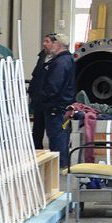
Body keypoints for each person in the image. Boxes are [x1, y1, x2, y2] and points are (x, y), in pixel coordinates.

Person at [31, 32, 77, 168]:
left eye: (49, 42)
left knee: (58, 140)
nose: (46, 45)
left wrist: (41, 99)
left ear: (58, 44)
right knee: (60, 138)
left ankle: (59, 169)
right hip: (60, 107)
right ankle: (60, 167)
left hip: (56, 108)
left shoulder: (60, 63)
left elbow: (53, 86)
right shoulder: (65, 60)